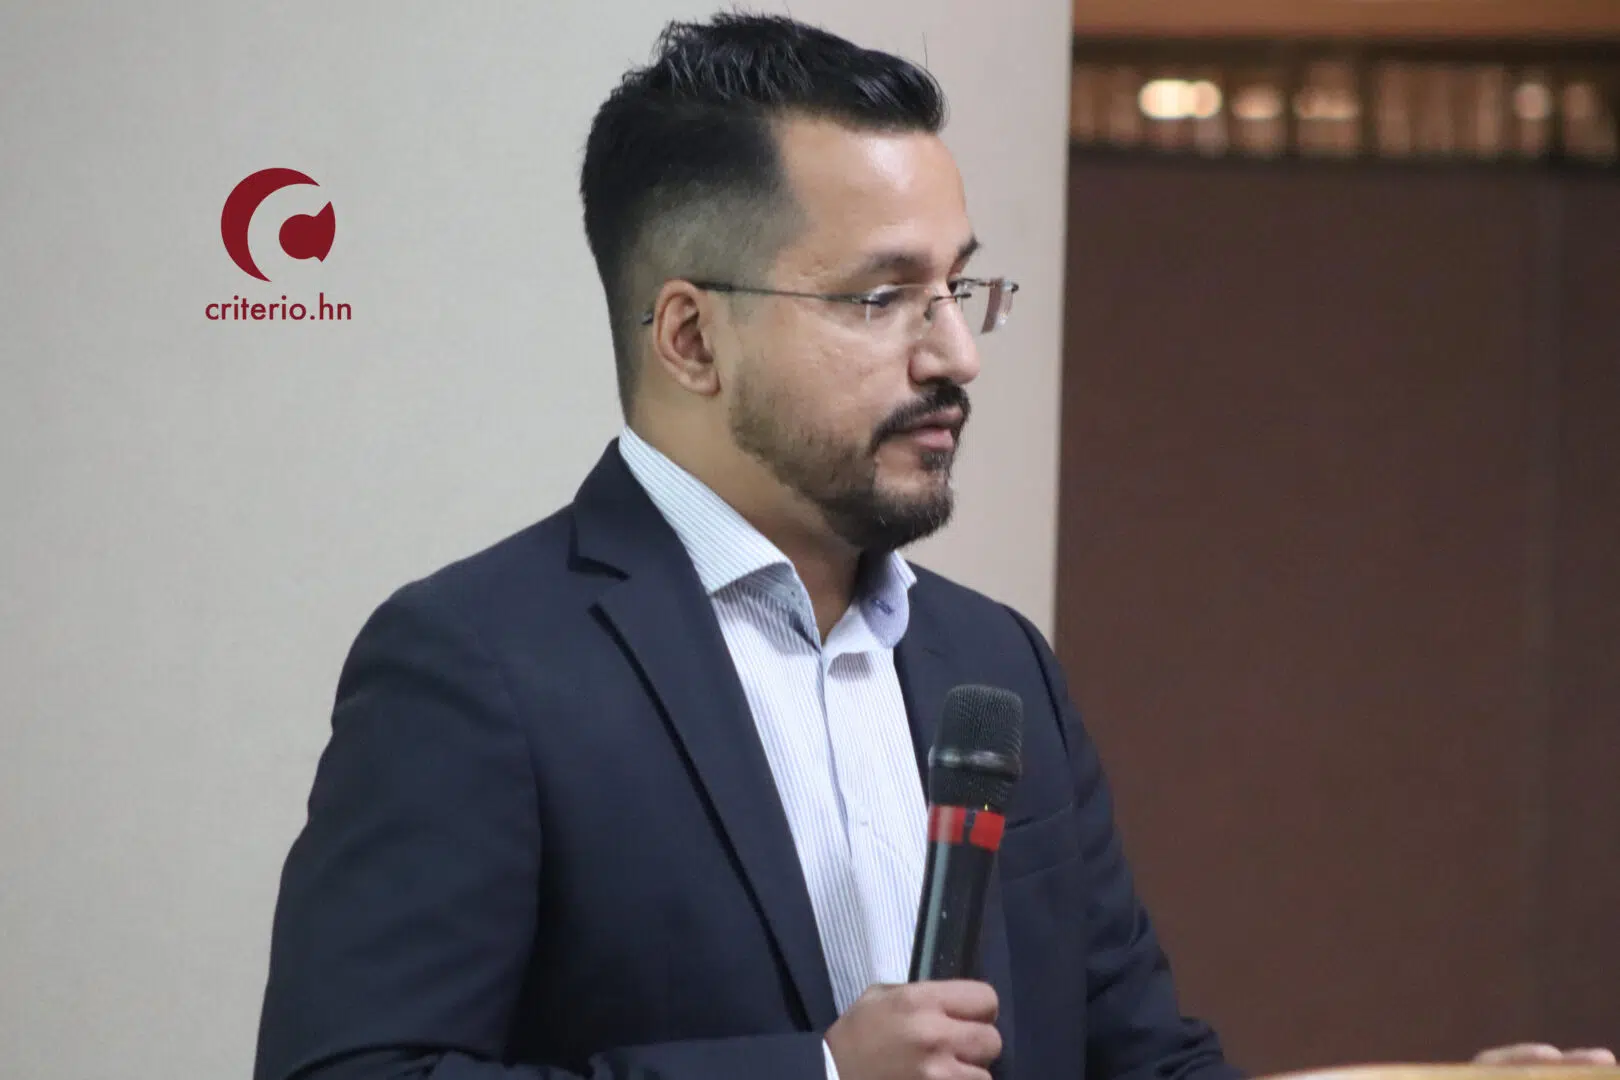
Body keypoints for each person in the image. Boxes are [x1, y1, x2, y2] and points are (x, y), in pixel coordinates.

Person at [253, 13, 1614, 1080]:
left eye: (959, 287)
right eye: (882, 297)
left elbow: (1140, 1062)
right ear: (691, 336)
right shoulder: (479, 661)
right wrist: (815, 1075)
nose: (955, 352)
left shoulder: (993, 662)